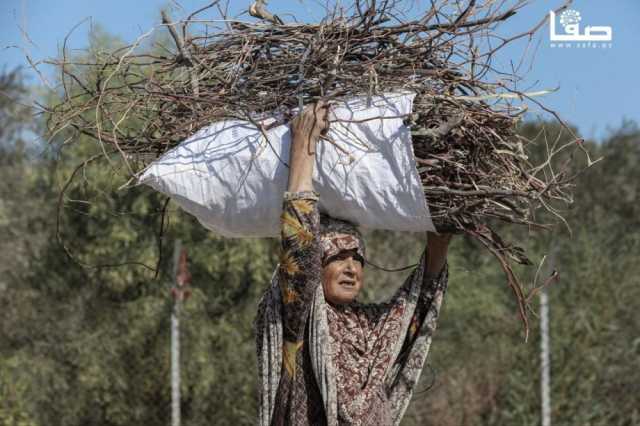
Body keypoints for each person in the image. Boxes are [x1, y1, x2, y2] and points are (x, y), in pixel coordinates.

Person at [255, 102, 452, 426]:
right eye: (336, 257)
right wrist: (304, 147)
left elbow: (417, 308)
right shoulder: (299, 314)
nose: (351, 268)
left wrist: (439, 235)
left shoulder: (369, 327)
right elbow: (299, 248)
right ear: (317, 267)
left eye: (357, 259)